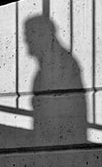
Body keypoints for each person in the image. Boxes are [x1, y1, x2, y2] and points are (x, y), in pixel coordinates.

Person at [22, 14, 88, 145]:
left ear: (42, 36)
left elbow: (53, 115)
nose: (26, 40)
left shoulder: (56, 65)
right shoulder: (54, 61)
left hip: (58, 142)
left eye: (29, 35)